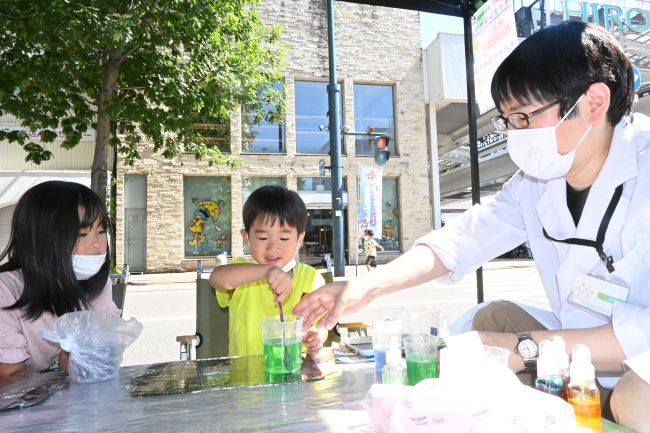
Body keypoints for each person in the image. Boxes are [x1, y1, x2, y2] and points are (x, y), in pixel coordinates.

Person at [294, 21, 649, 431]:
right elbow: (463, 239)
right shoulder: (535, 184)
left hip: (637, 361)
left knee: (634, 398)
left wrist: (521, 347)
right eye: (507, 120)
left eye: (523, 117)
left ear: (594, 102)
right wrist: (367, 285)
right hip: (576, 348)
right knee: (491, 320)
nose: (515, 134)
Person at [0, 181, 120, 377]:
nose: (97, 245)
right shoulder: (5, 291)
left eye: (100, 231)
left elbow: (103, 359)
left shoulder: (98, 284)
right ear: (41, 239)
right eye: (82, 233)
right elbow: (9, 376)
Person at [209, 185, 327, 359]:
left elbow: (320, 324)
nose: (273, 247)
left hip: (294, 372)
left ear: (300, 239)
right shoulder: (242, 272)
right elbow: (217, 278)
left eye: (284, 238)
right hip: (248, 379)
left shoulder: (311, 278)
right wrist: (266, 271)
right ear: (246, 237)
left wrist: (316, 336)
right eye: (263, 238)